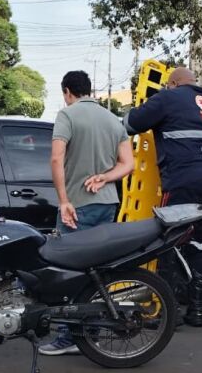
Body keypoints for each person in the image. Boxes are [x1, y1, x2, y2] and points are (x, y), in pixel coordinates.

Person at [123, 67, 202, 328]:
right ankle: (196, 311)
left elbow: (130, 123)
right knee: (200, 243)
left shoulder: (168, 98)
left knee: (169, 242)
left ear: (172, 83)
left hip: (183, 181)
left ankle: (167, 314)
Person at [39, 70, 135, 356]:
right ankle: (91, 332)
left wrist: (63, 200)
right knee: (96, 270)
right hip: (107, 203)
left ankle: (69, 336)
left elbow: (56, 158)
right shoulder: (112, 119)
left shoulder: (67, 115)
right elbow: (127, 164)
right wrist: (105, 177)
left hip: (77, 205)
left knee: (69, 271)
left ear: (67, 92)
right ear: (89, 90)